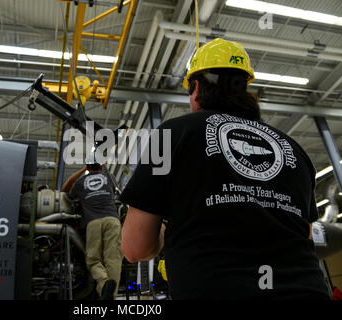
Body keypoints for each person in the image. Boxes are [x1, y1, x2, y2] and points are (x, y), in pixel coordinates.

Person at [119, 38, 330, 299]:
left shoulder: (172, 135)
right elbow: (305, 234)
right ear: (244, 88)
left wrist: (165, 231)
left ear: (195, 88)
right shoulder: (295, 150)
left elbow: (135, 247)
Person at [63, 153, 123, 300]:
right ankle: (112, 296)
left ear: (87, 166)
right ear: (101, 166)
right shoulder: (109, 177)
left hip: (93, 223)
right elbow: (119, 192)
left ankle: (104, 284)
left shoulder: (81, 181)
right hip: (112, 220)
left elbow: (65, 190)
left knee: (93, 260)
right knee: (113, 258)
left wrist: (83, 170)